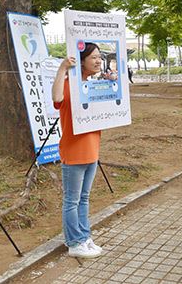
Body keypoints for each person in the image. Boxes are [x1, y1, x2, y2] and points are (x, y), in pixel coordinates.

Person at [52, 42, 104, 258]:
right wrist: (62, 68)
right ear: (82, 61)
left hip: (92, 150)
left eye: (99, 57)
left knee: (84, 198)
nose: (98, 60)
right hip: (74, 151)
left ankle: (84, 236)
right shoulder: (68, 84)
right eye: (93, 57)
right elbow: (56, 99)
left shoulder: (94, 86)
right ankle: (74, 243)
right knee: (72, 200)